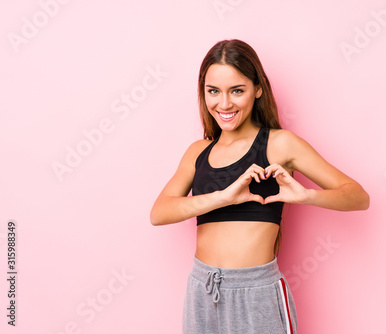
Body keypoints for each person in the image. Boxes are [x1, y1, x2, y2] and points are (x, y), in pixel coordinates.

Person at [150, 39, 370, 334]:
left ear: (258, 89)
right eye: (213, 91)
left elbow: (357, 196)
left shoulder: (280, 143)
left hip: (256, 291)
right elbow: (159, 212)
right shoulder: (198, 151)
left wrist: (306, 196)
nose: (224, 103)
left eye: (237, 90)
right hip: (202, 287)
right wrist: (223, 197)